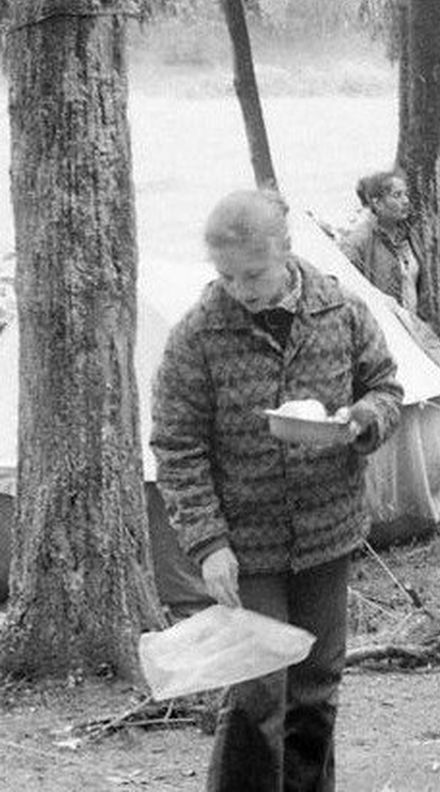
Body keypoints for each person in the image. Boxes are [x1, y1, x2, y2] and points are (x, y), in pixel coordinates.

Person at [151, 189, 403, 791]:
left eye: (255, 273)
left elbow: (387, 388)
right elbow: (177, 447)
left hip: (327, 534)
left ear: (287, 250)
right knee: (259, 690)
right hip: (247, 546)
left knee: (316, 683)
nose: (243, 289)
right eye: (228, 276)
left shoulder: (340, 312)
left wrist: (363, 420)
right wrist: (209, 544)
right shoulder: (198, 336)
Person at [339, 168, 424, 316]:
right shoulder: (358, 241)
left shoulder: (410, 236)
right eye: (397, 195)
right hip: (383, 327)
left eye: (406, 194)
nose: (406, 201)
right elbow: (342, 284)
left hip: (413, 327)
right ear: (377, 203)